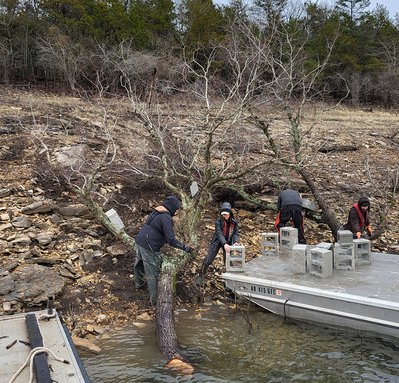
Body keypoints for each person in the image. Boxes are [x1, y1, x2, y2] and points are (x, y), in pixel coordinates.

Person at [134, 196, 193, 305]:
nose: (176, 211)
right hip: (149, 245)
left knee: (139, 264)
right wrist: (185, 248)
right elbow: (170, 239)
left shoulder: (156, 211)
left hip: (139, 240)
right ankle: (155, 302)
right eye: (176, 209)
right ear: (171, 207)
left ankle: (139, 285)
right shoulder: (166, 217)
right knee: (153, 274)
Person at [197, 202, 239, 284]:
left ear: (230, 213)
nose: (225, 216)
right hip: (217, 242)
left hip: (228, 242)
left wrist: (235, 242)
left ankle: (230, 281)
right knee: (209, 259)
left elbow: (236, 233)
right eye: (223, 215)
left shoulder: (234, 222)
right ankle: (201, 275)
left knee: (228, 261)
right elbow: (219, 233)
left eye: (226, 214)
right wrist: (224, 243)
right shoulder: (218, 221)